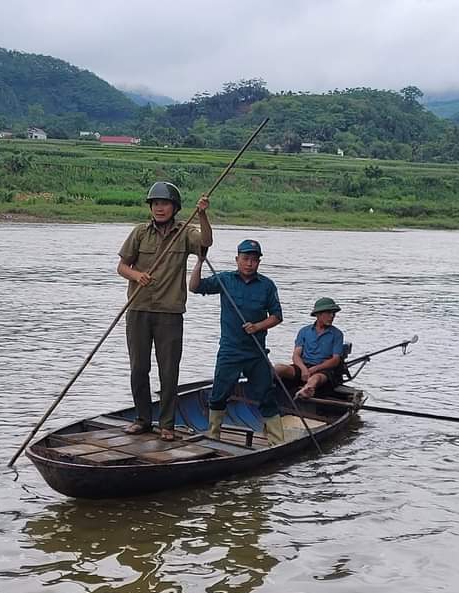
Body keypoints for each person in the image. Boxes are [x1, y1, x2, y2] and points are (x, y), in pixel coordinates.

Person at [117, 181, 212, 441]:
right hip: (138, 309)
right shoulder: (139, 232)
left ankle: (167, 424)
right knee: (139, 368)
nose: (159, 208)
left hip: (170, 313)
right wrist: (137, 275)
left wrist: (202, 214)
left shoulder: (186, 232)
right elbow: (122, 267)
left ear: (175, 207)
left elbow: (205, 244)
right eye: (156, 204)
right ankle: (142, 420)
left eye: (165, 204)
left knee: (168, 371)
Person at [188, 238, 286, 446]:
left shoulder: (267, 285)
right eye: (245, 259)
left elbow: (277, 316)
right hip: (230, 350)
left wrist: (258, 326)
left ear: (258, 262)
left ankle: (277, 441)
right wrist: (199, 262)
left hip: (256, 351)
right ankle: (213, 436)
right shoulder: (225, 279)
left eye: (254, 259)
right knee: (218, 395)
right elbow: (195, 287)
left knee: (266, 396)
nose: (250, 263)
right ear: (237, 259)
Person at [275, 297, 344, 399]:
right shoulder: (304, 331)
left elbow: (335, 360)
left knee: (315, 378)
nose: (332, 316)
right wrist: (303, 369)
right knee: (279, 368)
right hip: (303, 366)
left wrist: (314, 369)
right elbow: (296, 355)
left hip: (323, 370)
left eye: (333, 313)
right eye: (329, 313)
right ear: (318, 314)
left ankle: (307, 390)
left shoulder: (337, 334)